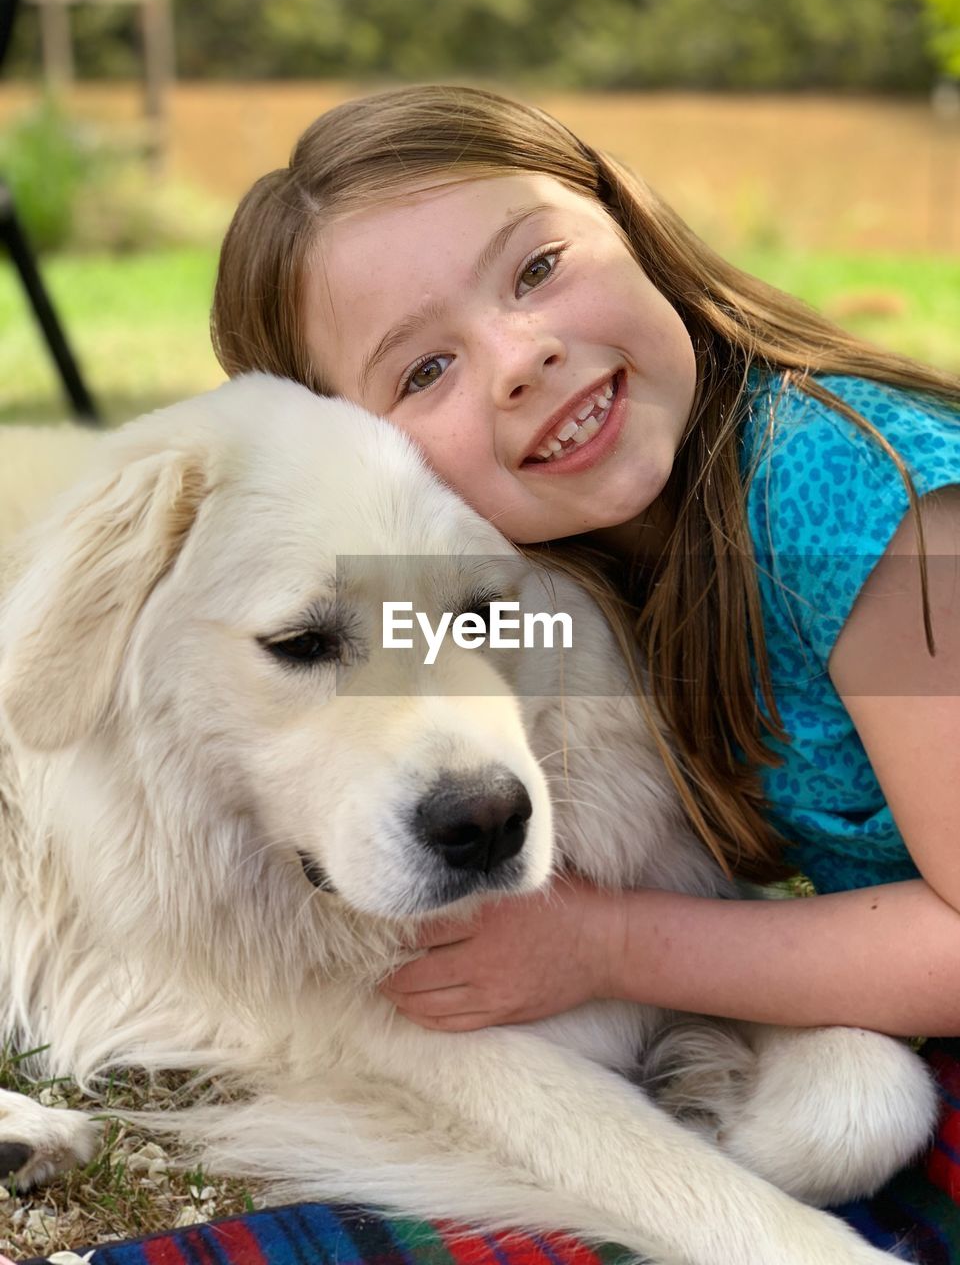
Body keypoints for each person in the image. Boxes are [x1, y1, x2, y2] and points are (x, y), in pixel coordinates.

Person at [211, 84, 960, 1043]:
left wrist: (609, 946)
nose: (523, 357)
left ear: (628, 220)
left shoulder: (852, 501)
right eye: (425, 369)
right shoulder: (557, 567)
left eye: (537, 268)